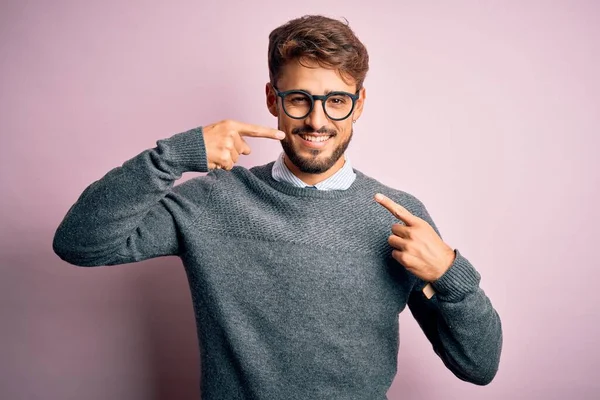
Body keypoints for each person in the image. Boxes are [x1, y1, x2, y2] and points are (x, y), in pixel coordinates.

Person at [53, 14, 502, 400]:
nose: (317, 119)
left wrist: (449, 273)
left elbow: (478, 367)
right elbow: (79, 243)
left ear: (359, 105)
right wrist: (173, 155)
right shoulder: (211, 199)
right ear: (273, 99)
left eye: (337, 101)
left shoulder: (398, 215)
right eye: (300, 98)